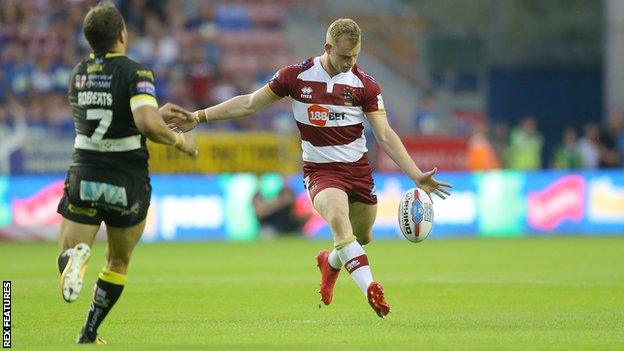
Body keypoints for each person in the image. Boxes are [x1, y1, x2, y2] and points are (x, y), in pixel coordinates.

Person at [171, 18, 451, 318]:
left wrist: (415, 173)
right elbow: (250, 103)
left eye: (355, 56)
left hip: (357, 171)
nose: (349, 62)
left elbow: (385, 134)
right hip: (321, 172)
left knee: (361, 237)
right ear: (327, 48)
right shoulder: (295, 77)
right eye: (344, 56)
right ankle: (371, 287)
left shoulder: (365, 85)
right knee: (340, 223)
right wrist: (199, 117)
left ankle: (330, 262)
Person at [55, 2, 197, 344]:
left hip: (85, 173)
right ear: (122, 34)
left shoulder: (78, 73)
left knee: (68, 250)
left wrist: (152, 113)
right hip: (126, 179)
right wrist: (181, 141)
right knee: (118, 260)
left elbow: (111, 114)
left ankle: (74, 260)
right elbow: (145, 124)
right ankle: (89, 330)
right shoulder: (136, 72)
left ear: (90, 40)